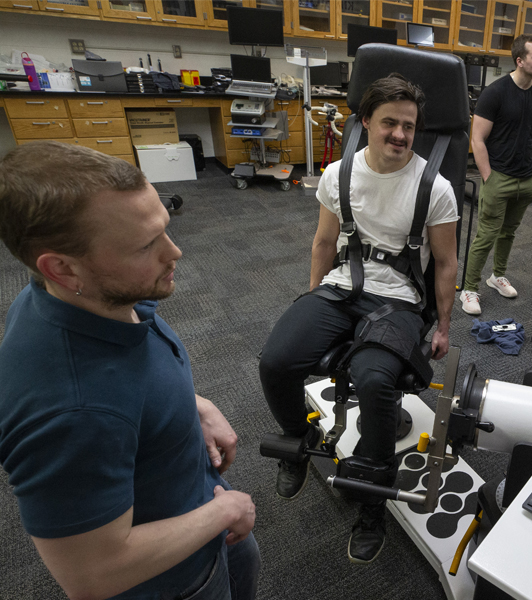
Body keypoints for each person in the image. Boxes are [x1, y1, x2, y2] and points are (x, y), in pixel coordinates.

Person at [0, 142, 259, 600]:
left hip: (199, 512)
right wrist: (224, 512)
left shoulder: (87, 295)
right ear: (61, 267)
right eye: (145, 246)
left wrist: (191, 406)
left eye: (164, 229)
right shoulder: (70, 413)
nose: (174, 252)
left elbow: (131, 380)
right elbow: (94, 575)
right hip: (177, 581)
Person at [258, 74, 458, 564]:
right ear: (365, 121)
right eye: (389, 122)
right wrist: (310, 300)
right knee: (276, 360)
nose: (400, 135)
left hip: (401, 300)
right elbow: (324, 244)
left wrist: (445, 327)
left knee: (374, 381)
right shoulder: (337, 175)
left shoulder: (436, 188)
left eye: (409, 126)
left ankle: (371, 502)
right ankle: (297, 439)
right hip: (339, 288)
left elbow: (448, 264)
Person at [459, 33, 532, 316]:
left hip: (527, 179)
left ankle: (497, 276)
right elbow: (477, 139)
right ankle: (470, 288)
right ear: (520, 60)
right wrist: (488, 177)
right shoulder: (495, 92)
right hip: (498, 176)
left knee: (509, 233)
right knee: (486, 234)